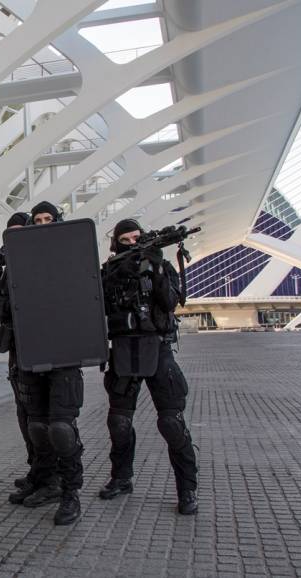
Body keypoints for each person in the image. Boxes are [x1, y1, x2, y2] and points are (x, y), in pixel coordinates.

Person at [99, 218, 199, 515]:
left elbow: (170, 302)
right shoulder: (109, 271)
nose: (132, 244)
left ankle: (187, 488)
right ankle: (121, 478)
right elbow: (97, 304)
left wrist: (155, 270)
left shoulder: (161, 266)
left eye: (136, 238)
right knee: (118, 422)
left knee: (171, 422)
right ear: (116, 243)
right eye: (125, 240)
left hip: (157, 348)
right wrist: (117, 274)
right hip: (124, 351)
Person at [13, 200, 86, 526]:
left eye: (49, 219)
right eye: (38, 219)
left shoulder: (73, 256)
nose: (43, 224)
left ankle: (71, 494)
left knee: (61, 429)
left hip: (64, 353)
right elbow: (6, 308)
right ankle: (48, 482)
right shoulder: (21, 262)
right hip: (34, 353)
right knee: (38, 428)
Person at [0, 213, 41, 502]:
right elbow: (3, 310)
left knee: (49, 420)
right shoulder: (8, 271)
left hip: (46, 346)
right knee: (25, 413)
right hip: (19, 349)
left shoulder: (48, 262)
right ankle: (38, 470)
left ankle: (57, 479)